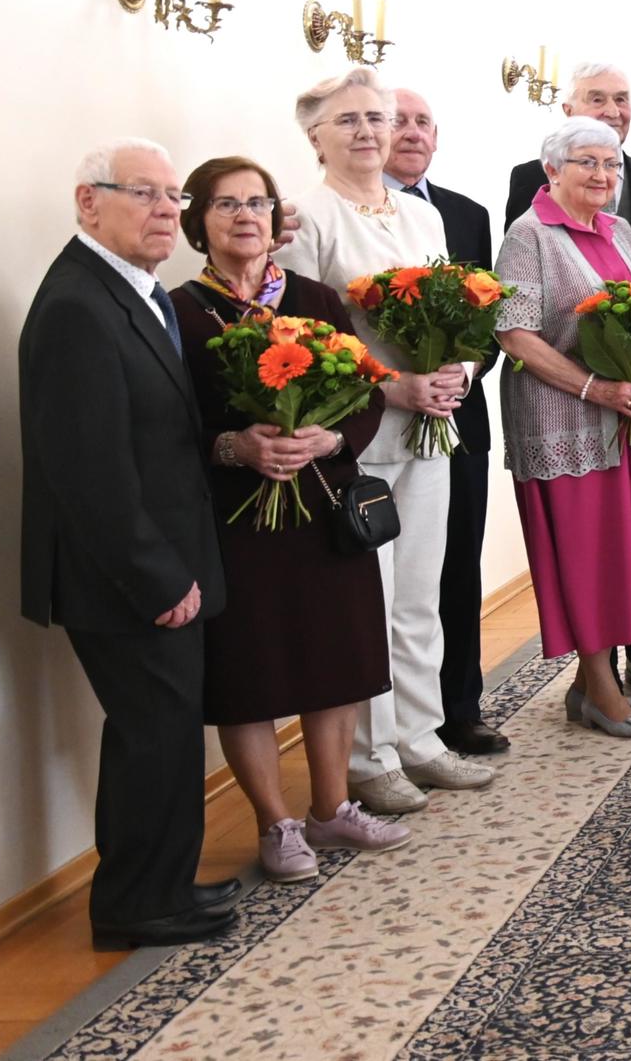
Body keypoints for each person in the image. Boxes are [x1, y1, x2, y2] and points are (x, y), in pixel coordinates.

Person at [20, 138, 238, 949]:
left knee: (166, 730)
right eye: (143, 193)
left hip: (157, 559)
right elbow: (88, 471)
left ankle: (161, 884)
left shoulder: (131, 290)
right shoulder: (78, 306)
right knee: (154, 733)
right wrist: (155, 577)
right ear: (89, 202)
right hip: (125, 575)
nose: (166, 211)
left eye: (173, 196)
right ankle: (135, 903)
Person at [173, 155, 413, 878]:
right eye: (226, 204)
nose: (245, 216)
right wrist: (233, 445)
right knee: (249, 669)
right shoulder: (179, 310)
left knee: (335, 661)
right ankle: (275, 823)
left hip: (322, 509)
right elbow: (165, 421)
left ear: (277, 218)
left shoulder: (313, 297)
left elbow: (368, 393)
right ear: (198, 221)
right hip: (236, 518)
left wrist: (330, 438)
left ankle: (332, 809)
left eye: (258, 202)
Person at [275, 66, 495, 814]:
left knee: (421, 594)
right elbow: (305, 344)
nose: (369, 131)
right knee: (367, 601)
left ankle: (421, 738)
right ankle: (370, 759)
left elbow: (461, 314)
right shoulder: (307, 220)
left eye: (377, 117)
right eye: (349, 120)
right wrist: (392, 387)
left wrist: (460, 369)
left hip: (431, 428)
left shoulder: (422, 216)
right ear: (316, 138)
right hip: (358, 440)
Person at [492, 117, 631, 734]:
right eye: (588, 162)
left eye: (612, 164)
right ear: (552, 169)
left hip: (624, 416)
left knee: (619, 553)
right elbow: (514, 333)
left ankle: (587, 685)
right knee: (584, 554)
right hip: (562, 418)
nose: (603, 175)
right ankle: (602, 689)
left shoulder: (619, 229)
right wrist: (594, 386)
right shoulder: (529, 235)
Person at [385, 88, 507, 759]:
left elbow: (485, 320)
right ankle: (389, 727)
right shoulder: (355, 216)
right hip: (383, 421)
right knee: (393, 581)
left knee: (457, 567)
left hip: (460, 417)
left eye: (423, 122)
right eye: (397, 120)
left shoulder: (466, 213)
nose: (411, 132)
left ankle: (459, 709)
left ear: (437, 136)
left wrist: (464, 369)